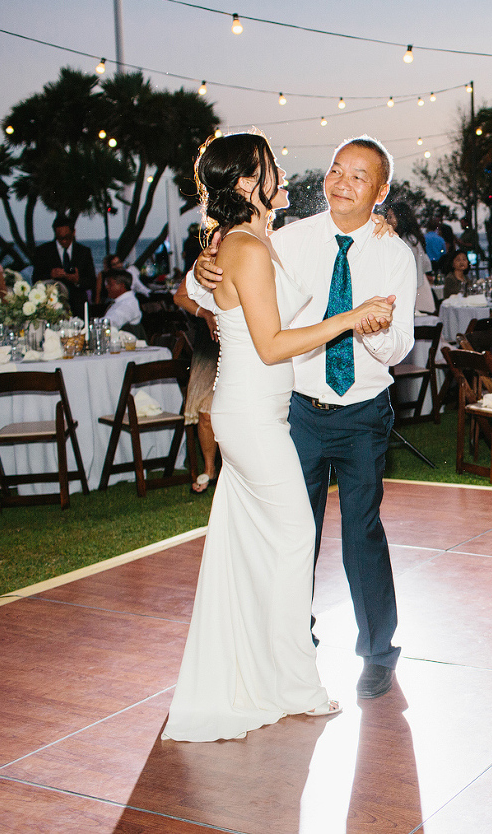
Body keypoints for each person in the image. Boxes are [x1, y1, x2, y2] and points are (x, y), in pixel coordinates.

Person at [163, 132, 387, 742]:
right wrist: (350, 316)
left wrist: (211, 280)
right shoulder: (245, 246)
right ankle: (290, 683)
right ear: (244, 184)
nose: (282, 171)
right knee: (294, 538)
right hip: (251, 415)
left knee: (253, 547)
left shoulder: (247, 241)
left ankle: (255, 671)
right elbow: (270, 345)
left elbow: (206, 287)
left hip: (257, 411)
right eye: (269, 167)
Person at [173, 275, 220, 493]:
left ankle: (233, 471)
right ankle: (209, 469)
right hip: (210, 343)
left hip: (242, 338)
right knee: (205, 411)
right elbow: (180, 297)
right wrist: (205, 312)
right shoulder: (206, 259)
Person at [385, 200, 436, 315]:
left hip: (416, 291)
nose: (387, 220)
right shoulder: (411, 238)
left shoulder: (407, 241)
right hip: (418, 288)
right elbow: (426, 264)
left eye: (390, 217)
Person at [33, 215, 96, 307]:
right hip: (52, 304)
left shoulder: (83, 252)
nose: (64, 241)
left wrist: (77, 280)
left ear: (73, 232)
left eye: (67, 237)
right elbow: (35, 279)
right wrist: (50, 275)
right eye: (60, 238)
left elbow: (92, 281)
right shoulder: (43, 251)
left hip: (78, 305)